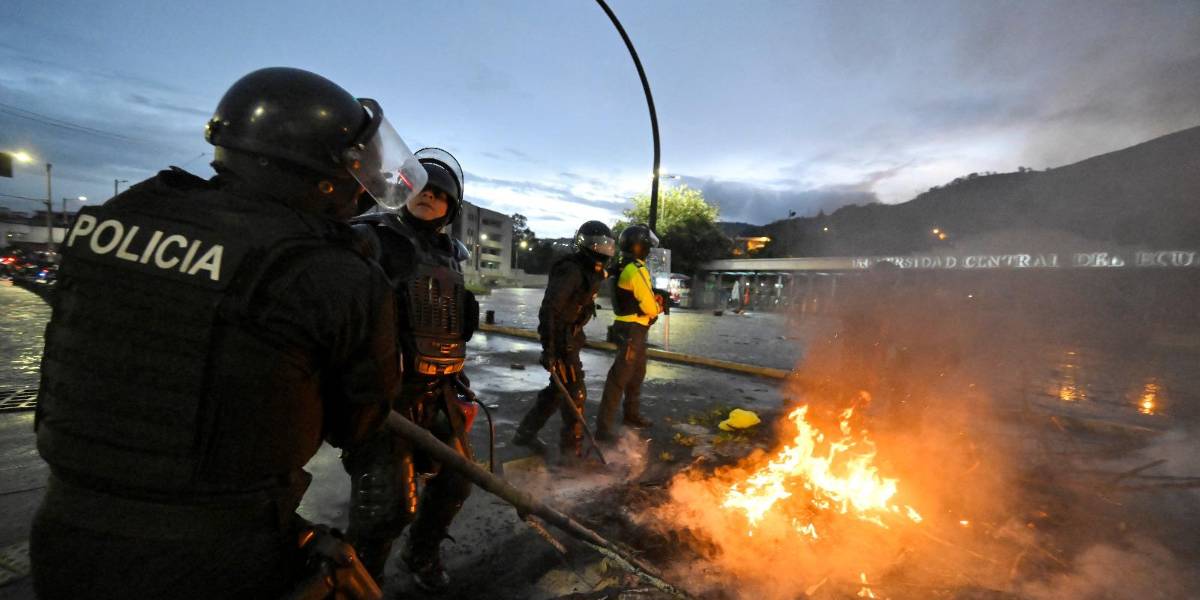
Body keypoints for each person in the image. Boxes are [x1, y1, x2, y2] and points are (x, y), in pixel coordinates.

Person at [29, 66, 423, 599]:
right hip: (214, 553)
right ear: (325, 173)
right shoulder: (330, 272)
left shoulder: (120, 217)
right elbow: (358, 421)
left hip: (64, 530)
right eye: (356, 166)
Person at [340, 148, 479, 592]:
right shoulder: (370, 236)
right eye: (422, 188)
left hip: (436, 390)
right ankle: (363, 580)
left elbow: (450, 322)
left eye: (440, 194)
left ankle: (421, 553)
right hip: (386, 394)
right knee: (387, 504)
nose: (430, 197)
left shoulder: (449, 253)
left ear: (450, 208)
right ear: (404, 189)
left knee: (458, 479)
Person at [512, 220, 615, 463]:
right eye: (597, 245)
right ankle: (572, 452)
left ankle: (525, 434)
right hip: (561, 341)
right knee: (574, 393)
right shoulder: (572, 270)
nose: (602, 249)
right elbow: (550, 310)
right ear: (585, 245)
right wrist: (549, 349)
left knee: (557, 393)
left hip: (570, 339)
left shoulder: (590, 270)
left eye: (606, 245)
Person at [596, 224, 663, 440]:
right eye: (646, 245)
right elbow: (649, 305)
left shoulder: (620, 265)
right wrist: (658, 306)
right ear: (640, 247)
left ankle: (631, 414)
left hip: (628, 327)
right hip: (633, 329)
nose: (649, 249)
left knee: (636, 374)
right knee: (619, 379)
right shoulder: (636, 269)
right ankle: (604, 429)